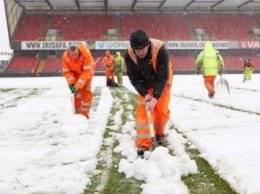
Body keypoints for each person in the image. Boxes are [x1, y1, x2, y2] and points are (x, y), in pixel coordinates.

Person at [124, 29, 174, 156]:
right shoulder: (129, 54)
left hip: (162, 80)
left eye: (142, 48)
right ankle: (144, 143)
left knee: (161, 110)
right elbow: (134, 78)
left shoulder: (159, 49)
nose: (140, 52)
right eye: (137, 49)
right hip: (144, 82)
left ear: (148, 45)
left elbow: (163, 77)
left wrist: (155, 97)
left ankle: (159, 132)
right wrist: (145, 94)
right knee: (143, 112)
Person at [62, 43, 95, 119]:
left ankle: (84, 115)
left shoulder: (86, 55)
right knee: (76, 94)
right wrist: (71, 83)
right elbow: (67, 72)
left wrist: (78, 85)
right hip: (75, 73)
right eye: (72, 54)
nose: (74, 56)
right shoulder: (66, 56)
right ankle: (77, 114)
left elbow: (86, 72)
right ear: (69, 52)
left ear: (79, 51)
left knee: (85, 92)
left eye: (76, 54)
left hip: (87, 72)